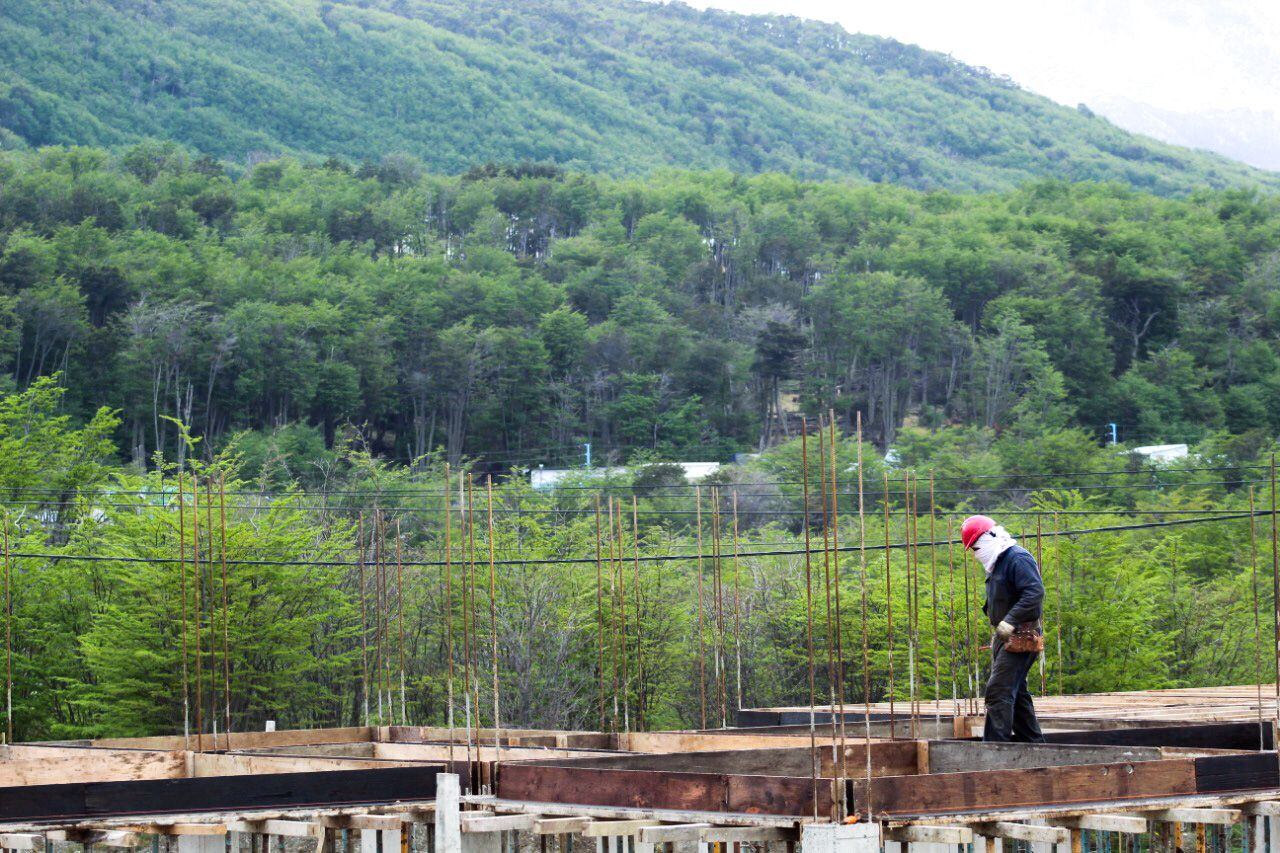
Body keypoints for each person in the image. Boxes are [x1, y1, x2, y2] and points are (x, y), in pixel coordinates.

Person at [960, 514, 1046, 743]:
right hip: (1005, 636)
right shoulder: (998, 561)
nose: (975, 553)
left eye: (976, 547)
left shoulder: (1017, 558)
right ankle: (1035, 746)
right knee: (1017, 696)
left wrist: (1011, 620)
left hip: (1022, 635)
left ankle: (995, 750)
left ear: (989, 537)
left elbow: (1034, 593)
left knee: (999, 691)